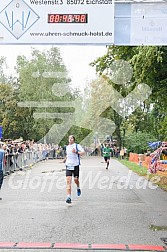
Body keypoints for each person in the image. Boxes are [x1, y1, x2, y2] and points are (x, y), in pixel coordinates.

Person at [64, 135, 85, 204]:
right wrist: (65, 159)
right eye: (69, 138)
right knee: (68, 181)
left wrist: (76, 152)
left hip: (75, 165)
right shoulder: (67, 147)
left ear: (74, 139)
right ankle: (68, 197)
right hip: (68, 165)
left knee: (76, 179)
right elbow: (68, 155)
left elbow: (83, 153)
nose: (70, 139)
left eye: (71, 138)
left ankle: (78, 187)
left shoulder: (77, 146)